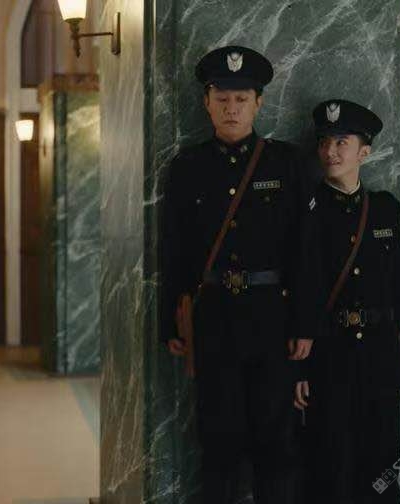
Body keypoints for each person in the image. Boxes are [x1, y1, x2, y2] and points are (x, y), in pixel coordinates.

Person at [159, 45, 317, 503]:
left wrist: (305, 323)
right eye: (222, 99)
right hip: (213, 320)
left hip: (272, 319)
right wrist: (171, 321)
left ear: (258, 104)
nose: (232, 108)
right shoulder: (187, 168)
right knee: (218, 440)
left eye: (242, 99)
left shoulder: (287, 164)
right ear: (207, 103)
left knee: (276, 441)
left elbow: (305, 251)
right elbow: (173, 250)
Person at [294, 99, 400, 503]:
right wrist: (300, 369)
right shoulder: (307, 209)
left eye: (342, 142)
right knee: (332, 467)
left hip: (380, 359)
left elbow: (396, 292)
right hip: (331, 357)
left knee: (383, 467)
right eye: (325, 142)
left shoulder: (385, 209)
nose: (330, 151)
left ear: (365, 152)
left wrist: (397, 356)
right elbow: (301, 289)